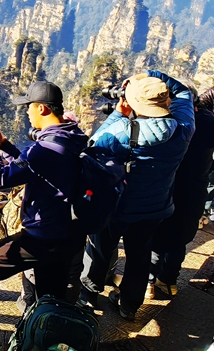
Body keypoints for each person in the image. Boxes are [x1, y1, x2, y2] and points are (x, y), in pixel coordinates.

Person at [0, 81, 88, 335]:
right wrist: (5, 146)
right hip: (69, 233)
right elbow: (33, 166)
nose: (26, 112)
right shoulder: (71, 137)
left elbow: (4, 179)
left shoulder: (45, 147)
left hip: (43, 236)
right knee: (50, 298)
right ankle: (45, 334)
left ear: (43, 109)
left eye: (29, 107)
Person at [80, 70, 194, 320]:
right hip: (155, 208)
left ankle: (88, 294)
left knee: (100, 249)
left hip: (116, 208)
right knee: (139, 256)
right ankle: (129, 306)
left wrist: (118, 115)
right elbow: (184, 92)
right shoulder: (184, 129)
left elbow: (92, 147)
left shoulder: (122, 131)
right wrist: (154, 76)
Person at [149, 84, 214, 297]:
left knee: (156, 236)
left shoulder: (168, 124)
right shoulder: (207, 123)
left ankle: (149, 282)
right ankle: (167, 281)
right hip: (194, 191)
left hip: (166, 188)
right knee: (178, 238)